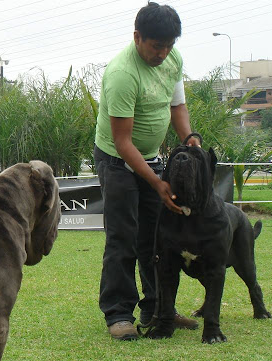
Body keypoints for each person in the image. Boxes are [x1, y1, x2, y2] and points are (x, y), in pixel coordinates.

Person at [94, 2, 199, 341]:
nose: (163, 53)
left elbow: (177, 105)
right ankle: (119, 314)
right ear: (138, 37)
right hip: (116, 161)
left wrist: (189, 138)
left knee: (157, 239)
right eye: (157, 46)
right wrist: (156, 182)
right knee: (123, 238)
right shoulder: (122, 74)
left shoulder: (172, 58)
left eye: (169, 45)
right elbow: (122, 142)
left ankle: (158, 308)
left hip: (152, 158)